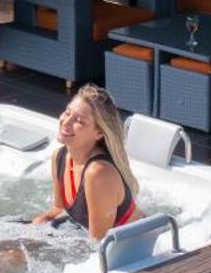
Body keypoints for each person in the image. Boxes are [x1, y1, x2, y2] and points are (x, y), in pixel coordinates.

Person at [32, 84, 139, 239]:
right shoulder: (60, 156)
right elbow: (58, 208)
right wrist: (43, 219)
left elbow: (98, 243)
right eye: (67, 113)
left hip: (135, 246)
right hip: (81, 233)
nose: (66, 123)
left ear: (99, 133)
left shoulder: (98, 173)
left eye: (79, 121)